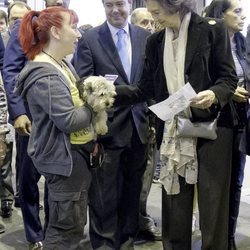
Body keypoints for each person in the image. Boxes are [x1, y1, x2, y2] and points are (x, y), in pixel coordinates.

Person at [114, 0, 238, 249]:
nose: (152, 15)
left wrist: (213, 94)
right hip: (173, 133)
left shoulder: (213, 29)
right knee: (174, 210)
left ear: (176, 4)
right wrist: (110, 93)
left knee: (213, 211)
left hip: (212, 131)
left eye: (156, 10)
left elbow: (228, 78)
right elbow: (145, 88)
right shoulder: (155, 41)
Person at [15, 6, 98, 249]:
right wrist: (97, 104)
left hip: (71, 158)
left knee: (69, 224)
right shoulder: (46, 74)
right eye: (72, 27)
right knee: (65, 230)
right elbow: (69, 120)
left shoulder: (60, 64)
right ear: (56, 32)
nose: (78, 34)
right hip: (64, 161)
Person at [73, 0, 150, 249]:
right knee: (104, 198)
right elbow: (84, 82)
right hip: (106, 131)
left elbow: (152, 82)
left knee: (132, 195)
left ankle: (127, 243)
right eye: (109, 5)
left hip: (139, 129)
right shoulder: (90, 39)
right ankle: (105, 246)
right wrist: (131, 92)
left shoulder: (146, 37)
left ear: (129, 4)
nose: (115, 10)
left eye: (120, 4)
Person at [205, 1, 249, 249]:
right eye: (237, 12)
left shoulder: (241, 42)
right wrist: (228, 91)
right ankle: (216, 239)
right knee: (216, 185)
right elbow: (202, 78)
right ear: (221, 15)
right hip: (217, 121)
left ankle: (229, 237)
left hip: (241, 121)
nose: (243, 17)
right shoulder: (209, 43)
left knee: (237, 182)